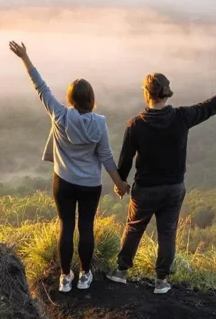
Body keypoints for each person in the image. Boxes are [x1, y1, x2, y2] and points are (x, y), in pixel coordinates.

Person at [108, 70, 216, 294]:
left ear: (146, 93)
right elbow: (209, 107)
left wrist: (121, 184)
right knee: (167, 232)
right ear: (167, 92)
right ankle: (162, 281)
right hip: (174, 188)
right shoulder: (181, 117)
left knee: (134, 229)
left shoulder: (135, 126)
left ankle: (120, 272)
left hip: (145, 189)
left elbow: (125, 162)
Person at [9, 41, 129, 293]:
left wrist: (25, 57)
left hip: (63, 181)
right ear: (92, 100)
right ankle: (85, 275)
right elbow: (106, 155)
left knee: (66, 226)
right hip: (90, 185)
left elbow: (40, 87)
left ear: (70, 99)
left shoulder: (60, 115)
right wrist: (119, 183)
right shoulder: (99, 123)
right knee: (86, 227)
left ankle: (65, 277)